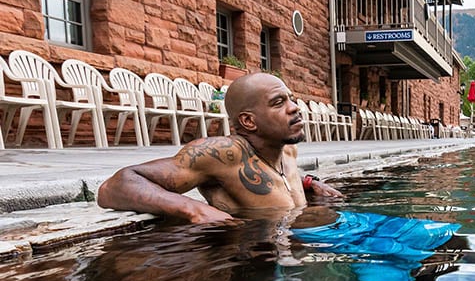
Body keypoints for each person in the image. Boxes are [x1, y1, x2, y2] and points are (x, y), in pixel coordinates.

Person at [97, 73, 342, 223]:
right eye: (279, 103)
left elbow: (272, 176)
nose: (294, 107)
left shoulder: (286, 149)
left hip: (295, 243)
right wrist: (193, 209)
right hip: (252, 261)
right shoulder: (223, 154)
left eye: (291, 99)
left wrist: (309, 182)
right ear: (248, 121)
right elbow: (115, 186)